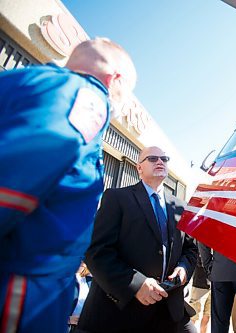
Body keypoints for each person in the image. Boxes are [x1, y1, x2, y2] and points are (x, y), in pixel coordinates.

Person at [0, 38, 136, 333]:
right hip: (20, 294)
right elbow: (11, 187)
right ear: (116, 80)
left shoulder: (25, 82)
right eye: (128, 95)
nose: (123, 109)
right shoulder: (88, 99)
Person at [76, 146, 198, 332]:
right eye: (152, 158)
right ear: (139, 168)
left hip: (169, 309)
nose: (160, 161)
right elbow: (96, 251)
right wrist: (135, 284)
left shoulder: (181, 207)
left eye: (164, 159)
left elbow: (191, 250)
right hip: (122, 310)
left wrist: (183, 268)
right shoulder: (117, 198)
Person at [68, 262, 92, 332]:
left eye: (84, 261)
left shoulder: (91, 280)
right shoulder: (64, 280)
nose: (83, 264)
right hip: (69, 327)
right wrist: (68, 320)